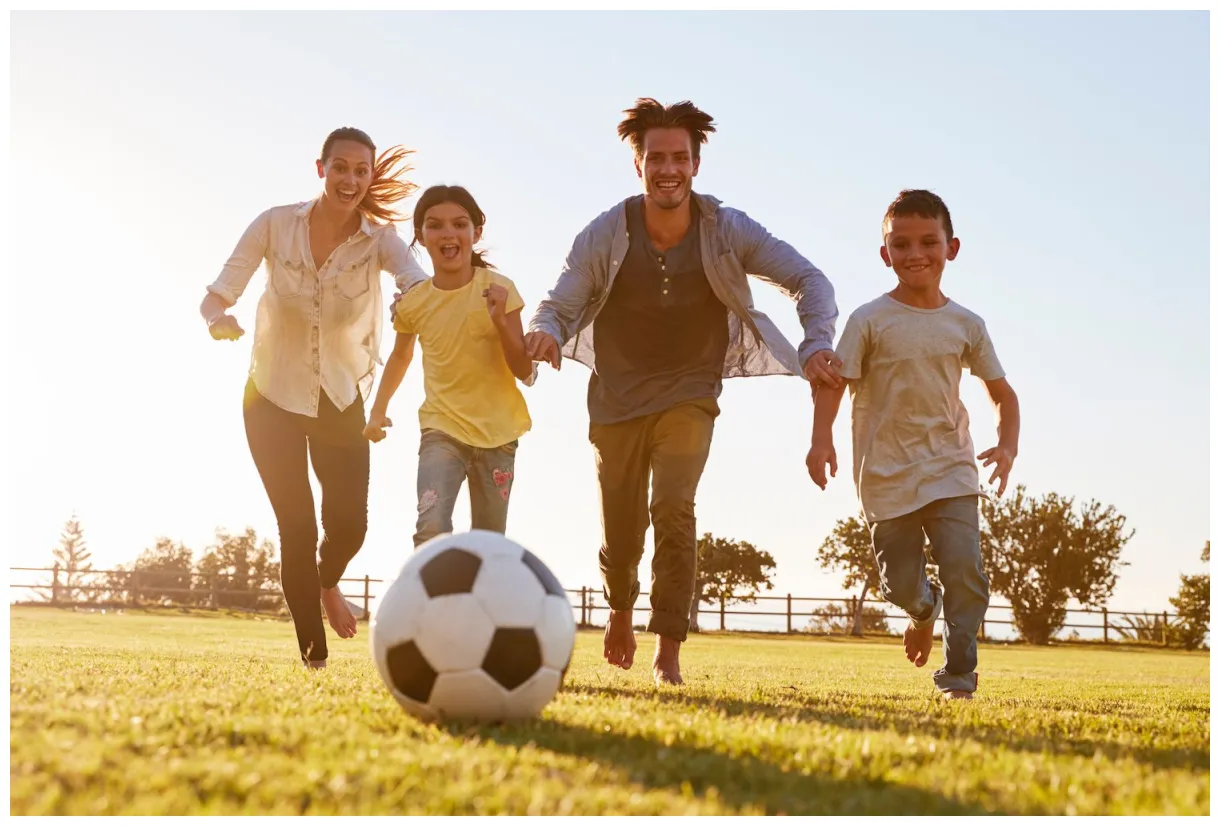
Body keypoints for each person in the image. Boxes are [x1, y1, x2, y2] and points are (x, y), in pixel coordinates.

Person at [525, 98, 841, 686]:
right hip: (616, 395)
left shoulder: (727, 230)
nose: (668, 168)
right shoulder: (604, 232)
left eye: (679, 157)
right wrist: (545, 332)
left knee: (673, 505)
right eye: (655, 158)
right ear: (638, 166)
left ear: (696, 165)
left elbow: (809, 279)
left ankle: (667, 647)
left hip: (690, 392)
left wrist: (815, 340)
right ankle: (620, 608)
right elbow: (560, 302)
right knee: (621, 525)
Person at [199, 127, 428, 669]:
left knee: (350, 524)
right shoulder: (276, 224)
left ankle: (328, 583)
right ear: (320, 168)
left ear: (369, 177)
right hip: (271, 397)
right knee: (297, 526)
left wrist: (409, 303)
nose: (351, 179)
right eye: (341, 167)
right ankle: (313, 657)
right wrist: (218, 320)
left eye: (361, 170)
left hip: (340, 398)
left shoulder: (380, 239)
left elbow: (417, 283)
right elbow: (216, 294)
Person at [806, 189, 1021, 700]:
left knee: (966, 571)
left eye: (929, 241)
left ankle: (959, 676)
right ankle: (923, 608)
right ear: (885, 254)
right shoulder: (868, 320)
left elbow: (1002, 393)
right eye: (901, 244)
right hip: (885, 474)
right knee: (899, 583)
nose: (915, 253)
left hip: (951, 467)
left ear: (953, 247)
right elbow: (834, 384)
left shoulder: (966, 324)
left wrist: (1007, 446)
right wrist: (821, 441)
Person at [366, 185, 535, 547]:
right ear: (421, 237)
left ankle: (480, 604)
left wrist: (501, 321)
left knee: (490, 545)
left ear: (476, 232)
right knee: (431, 528)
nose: (448, 234)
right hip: (442, 430)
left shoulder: (500, 289)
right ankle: (431, 604)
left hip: (500, 435)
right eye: (435, 225)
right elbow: (400, 356)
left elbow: (524, 369)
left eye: (460, 224)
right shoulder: (415, 303)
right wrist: (377, 411)